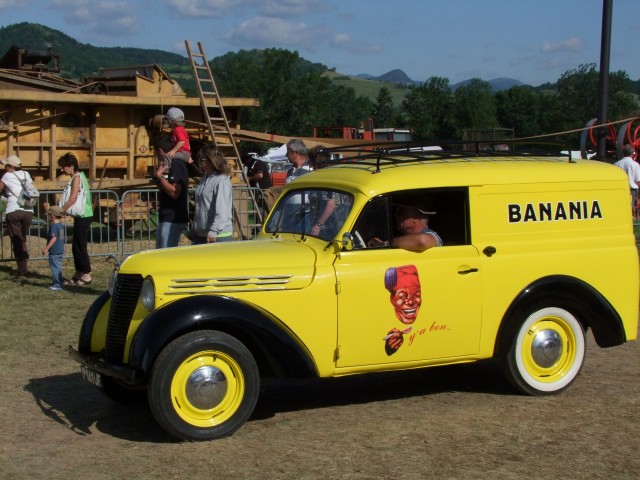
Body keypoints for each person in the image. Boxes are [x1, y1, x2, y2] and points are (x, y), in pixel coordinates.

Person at [58, 153, 93, 285]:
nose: (62, 169)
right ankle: (79, 273)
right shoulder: (79, 176)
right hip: (82, 216)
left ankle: (86, 274)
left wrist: (60, 210)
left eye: (64, 166)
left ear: (71, 166)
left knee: (80, 246)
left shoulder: (77, 178)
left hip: (84, 216)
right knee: (76, 246)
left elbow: (72, 198)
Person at [191, 145, 234, 244]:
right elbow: (201, 206)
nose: (199, 162)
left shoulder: (222, 181)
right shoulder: (204, 178)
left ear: (211, 161)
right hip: (201, 234)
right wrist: (195, 227)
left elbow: (222, 209)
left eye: (202, 159)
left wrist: (214, 230)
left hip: (218, 235)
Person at [153, 136, 190, 248]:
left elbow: (175, 192)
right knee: (160, 252)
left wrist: (159, 177)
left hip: (173, 219)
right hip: (166, 217)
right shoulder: (169, 164)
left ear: (160, 151)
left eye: (155, 152)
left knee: (166, 253)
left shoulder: (176, 164)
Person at [0, 155, 34, 277]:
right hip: (28, 210)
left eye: (6, 165)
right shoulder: (26, 174)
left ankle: (22, 269)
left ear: (11, 166)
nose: (5, 168)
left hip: (14, 209)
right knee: (22, 238)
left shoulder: (7, 176)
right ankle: (24, 266)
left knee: (17, 240)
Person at [369, 204, 442, 252]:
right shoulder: (403, 239)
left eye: (400, 212)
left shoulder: (433, 236)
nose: (395, 215)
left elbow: (422, 241)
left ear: (416, 217)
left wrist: (385, 244)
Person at [41, 205, 65, 291]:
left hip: (54, 251)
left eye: (48, 215)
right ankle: (59, 282)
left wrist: (46, 248)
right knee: (57, 267)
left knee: (55, 268)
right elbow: (60, 237)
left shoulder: (54, 227)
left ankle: (57, 285)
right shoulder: (61, 225)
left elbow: (54, 238)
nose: (47, 217)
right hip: (60, 250)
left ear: (53, 216)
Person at [614, 144, 640, 211]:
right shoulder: (635, 165)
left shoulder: (616, 164)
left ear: (623, 152)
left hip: (619, 190)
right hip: (632, 190)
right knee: (630, 210)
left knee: (620, 209)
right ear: (633, 153)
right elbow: (638, 181)